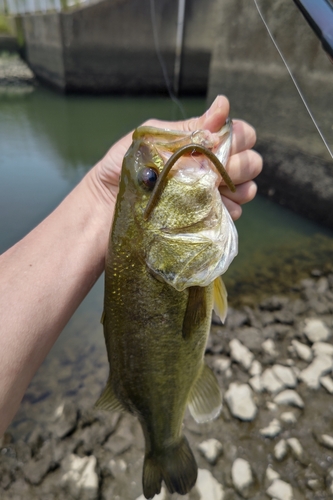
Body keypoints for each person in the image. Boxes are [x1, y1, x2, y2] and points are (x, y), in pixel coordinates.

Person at [0, 95, 262, 437]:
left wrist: (104, 197)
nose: (150, 163)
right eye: (150, 179)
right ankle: (164, 441)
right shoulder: (165, 256)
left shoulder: (160, 252)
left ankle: (161, 437)